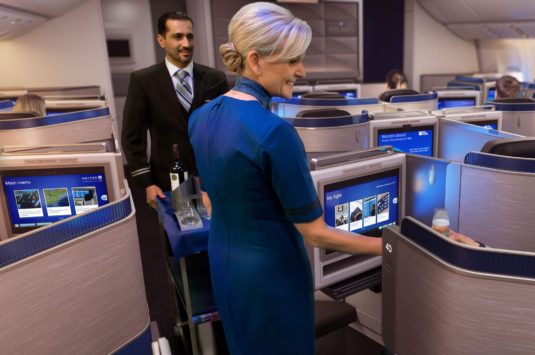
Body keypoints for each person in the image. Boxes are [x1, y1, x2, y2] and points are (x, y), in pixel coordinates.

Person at [187, 3, 382, 354]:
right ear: (256, 60)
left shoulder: (200, 117)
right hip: (271, 277)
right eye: (292, 61)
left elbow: (209, 199)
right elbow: (316, 232)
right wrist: (389, 248)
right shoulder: (275, 133)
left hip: (226, 265)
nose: (302, 71)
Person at [121, 11, 229, 208]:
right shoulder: (143, 81)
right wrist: (148, 184)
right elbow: (132, 137)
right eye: (177, 36)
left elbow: (227, 131)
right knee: (179, 235)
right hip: (167, 180)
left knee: (217, 235)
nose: (186, 43)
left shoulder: (215, 79)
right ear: (161, 40)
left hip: (212, 179)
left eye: (190, 36)